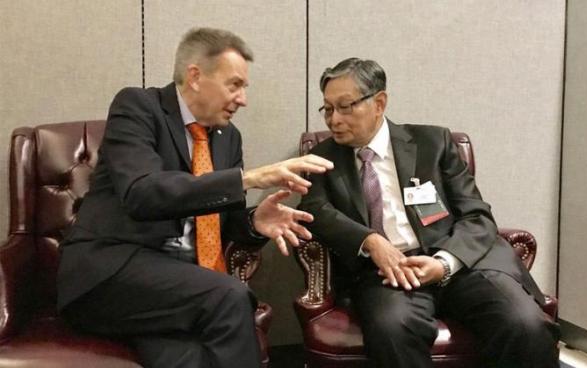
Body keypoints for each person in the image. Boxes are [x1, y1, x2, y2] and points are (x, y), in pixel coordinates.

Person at [56, 27, 333, 368]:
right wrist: (248, 179)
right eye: (235, 85)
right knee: (230, 297)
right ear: (196, 76)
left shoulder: (228, 138)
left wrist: (254, 223)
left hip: (176, 288)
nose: (243, 98)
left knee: (187, 358)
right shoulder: (138, 107)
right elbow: (142, 193)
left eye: (244, 87)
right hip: (110, 275)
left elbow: (224, 219)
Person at [298, 57, 560, 368]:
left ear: (379, 103)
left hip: (462, 266)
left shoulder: (432, 143)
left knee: (524, 324)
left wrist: (443, 263)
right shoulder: (321, 158)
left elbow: (477, 217)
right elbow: (314, 209)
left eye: (345, 106)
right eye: (327, 109)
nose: (334, 119)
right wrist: (370, 241)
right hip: (388, 275)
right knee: (392, 330)